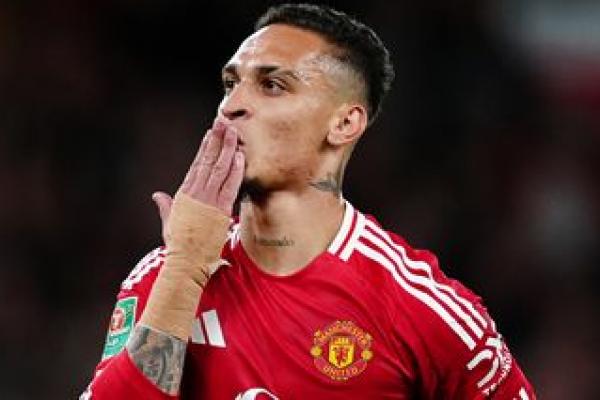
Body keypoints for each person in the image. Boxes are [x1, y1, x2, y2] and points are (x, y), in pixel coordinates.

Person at [81, 3, 535, 399]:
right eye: (230, 84)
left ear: (344, 124)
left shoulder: (420, 307)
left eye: (272, 85)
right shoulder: (166, 276)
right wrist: (185, 270)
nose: (231, 105)